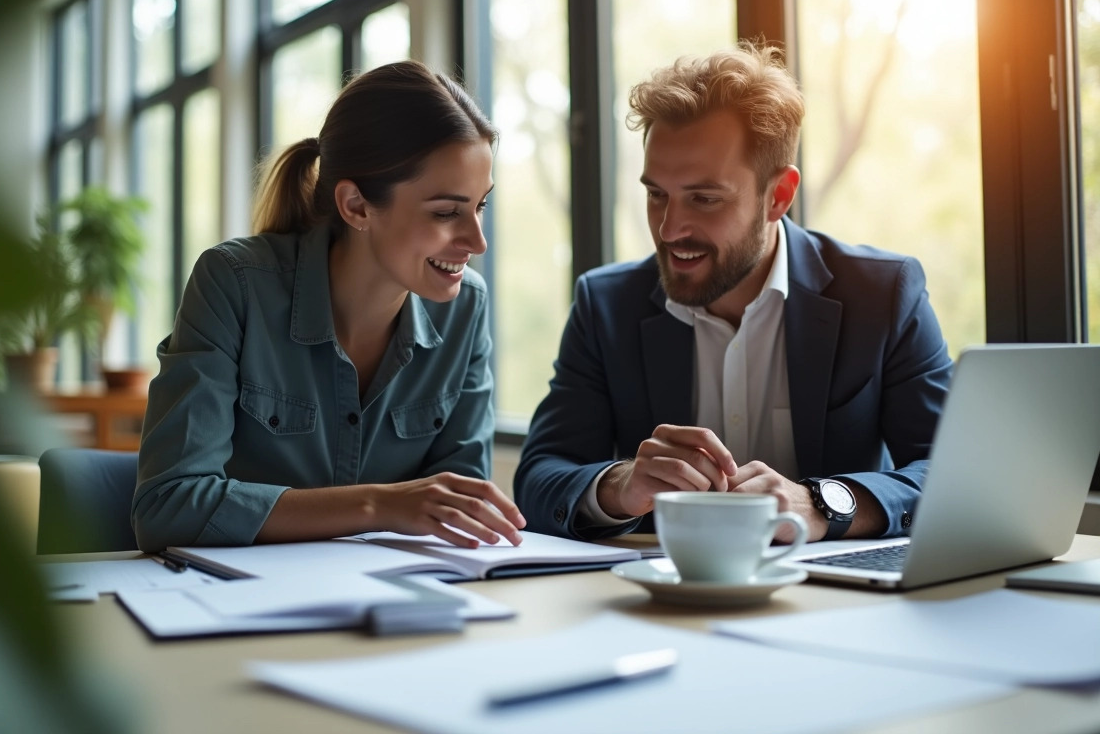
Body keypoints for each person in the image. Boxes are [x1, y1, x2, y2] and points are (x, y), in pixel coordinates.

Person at [513, 41, 953, 543]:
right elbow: (539, 479)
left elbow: (954, 472)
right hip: (664, 598)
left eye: (704, 198)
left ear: (779, 197)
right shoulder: (606, 305)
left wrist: (821, 503)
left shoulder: (883, 294)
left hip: (841, 596)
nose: (669, 228)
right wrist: (618, 484)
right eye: (657, 194)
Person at [133, 60, 526, 553]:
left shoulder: (467, 308)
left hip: (397, 608)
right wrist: (378, 505)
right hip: (239, 611)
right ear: (356, 206)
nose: (476, 241)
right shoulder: (233, 284)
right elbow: (167, 507)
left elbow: (461, 509)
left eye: (480, 206)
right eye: (447, 212)